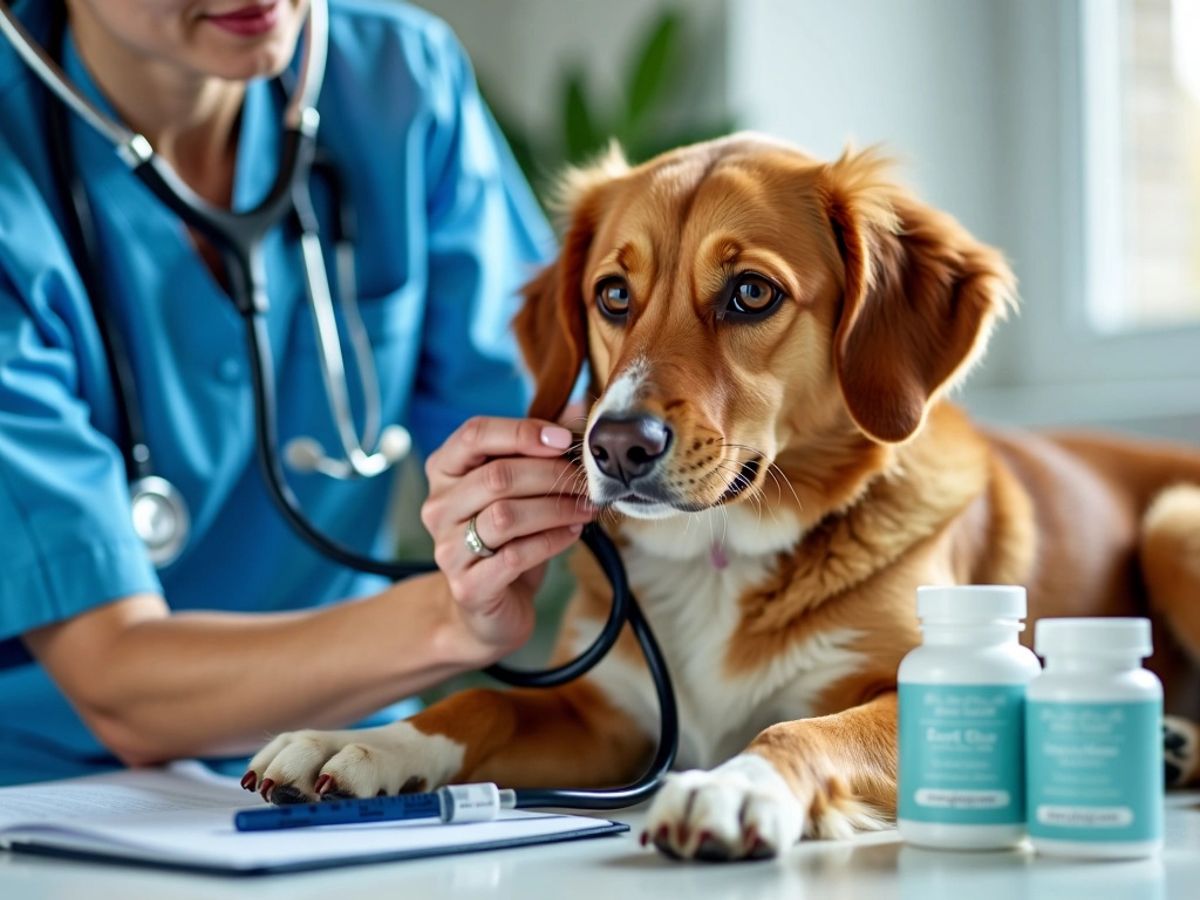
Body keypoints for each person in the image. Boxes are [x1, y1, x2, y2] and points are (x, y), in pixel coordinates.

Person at [0, 0, 593, 786]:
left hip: (341, 768)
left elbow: (561, 441)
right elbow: (118, 686)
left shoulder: (395, 82)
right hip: (49, 802)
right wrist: (450, 617)